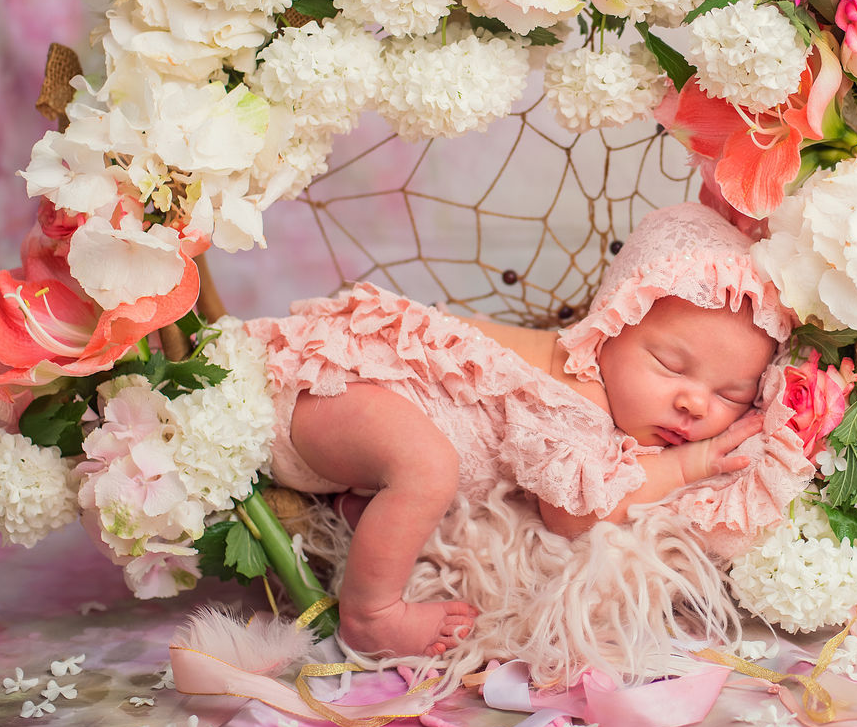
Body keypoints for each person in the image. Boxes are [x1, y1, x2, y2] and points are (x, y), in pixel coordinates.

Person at [245, 203, 813, 659]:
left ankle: (361, 510)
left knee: (423, 467)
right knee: (427, 468)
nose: (692, 402)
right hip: (323, 382)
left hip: (337, 410)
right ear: (609, 325)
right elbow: (571, 518)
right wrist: (692, 464)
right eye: (668, 365)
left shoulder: (608, 387)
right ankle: (371, 615)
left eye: (729, 395)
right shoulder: (579, 397)